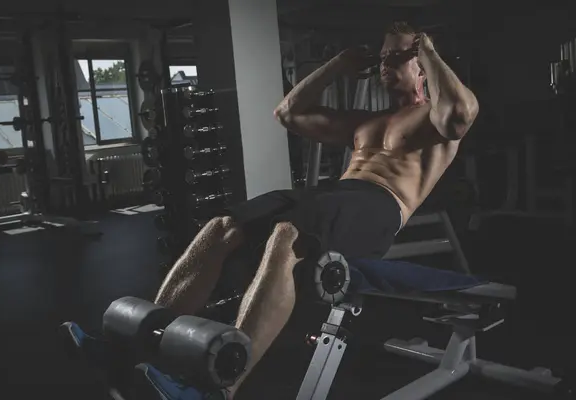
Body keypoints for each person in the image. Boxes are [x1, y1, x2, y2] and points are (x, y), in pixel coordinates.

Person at [154, 21, 479, 399]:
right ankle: (148, 341)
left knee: (286, 234)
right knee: (221, 226)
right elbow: (288, 113)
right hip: (336, 194)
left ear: (422, 65)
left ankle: (222, 386)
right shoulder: (365, 122)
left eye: (397, 56)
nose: (384, 64)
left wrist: (428, 50)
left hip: (382, 204)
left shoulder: (436, 119)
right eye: (382, 57)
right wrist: (339, 64)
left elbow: (461, 113)